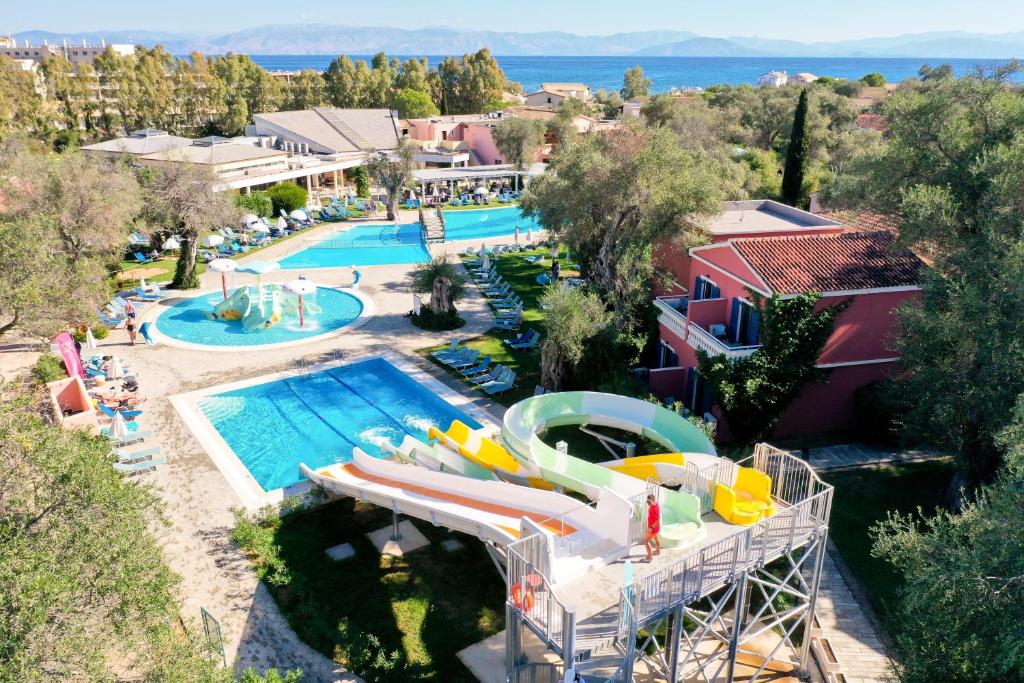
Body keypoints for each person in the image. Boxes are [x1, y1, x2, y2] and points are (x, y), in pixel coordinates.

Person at [644, 494, 662, 561]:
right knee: (656, 539)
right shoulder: (656, 504)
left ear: (653, 500)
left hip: (653, 528)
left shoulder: (654, 508)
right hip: (656, 528)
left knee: (646, 541)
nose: (648, 503)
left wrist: (650, 528)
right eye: (647, 501)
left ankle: (649, 557)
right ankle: (658, 551)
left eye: (649, 501)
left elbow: (657, 521)